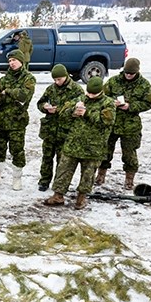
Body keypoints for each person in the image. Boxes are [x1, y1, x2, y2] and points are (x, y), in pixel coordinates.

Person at [44, 77, 116, 210]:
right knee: (63, 170)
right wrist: (73, 112)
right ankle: (58, 195)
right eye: (88, 93)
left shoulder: (108, 103)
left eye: (93, 94)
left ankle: (81, 198)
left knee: (88, 175)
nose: (89, 96)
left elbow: (107, 121)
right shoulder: (80, 99)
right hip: (73, 143)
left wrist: (87, 113)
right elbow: (62, 112)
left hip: (93, 148)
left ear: (100, 91)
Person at [96, 57, 151, 190]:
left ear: (137, 72)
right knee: (105, 151)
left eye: (131, 74)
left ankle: (129, 179)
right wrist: (112, 103)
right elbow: (102, 97)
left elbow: (149, 102)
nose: (128, 75)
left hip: (131, 126)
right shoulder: (113, 81)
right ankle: (100, 175)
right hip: (112, 123)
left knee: (129, 154)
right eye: (127, 72)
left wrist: (131, 106)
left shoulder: (144, 85)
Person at [0, 49, 36, 190]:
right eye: (9, 61)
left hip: (17, 121)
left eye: (14, 60)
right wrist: (9, 94)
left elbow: (24, 96)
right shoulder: (4, 78)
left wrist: (8, 91)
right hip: (2, 120)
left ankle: (17, 179)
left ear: (21, 61)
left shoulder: (28, 78)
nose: (11, 63)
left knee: (17, 150)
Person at [36, 64, 84, 191]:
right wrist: (45, 107)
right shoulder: (51, 89)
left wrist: (69, 111)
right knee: (47, 157)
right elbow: (40, 103)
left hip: (65, 131)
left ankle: (59, 183)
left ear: (66, 76)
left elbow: (81, 107)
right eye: (55, 80)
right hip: (50, 130)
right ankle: (44, 181)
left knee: (62, 160)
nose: (57, 82)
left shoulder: (76, 90)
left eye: (59, 79)